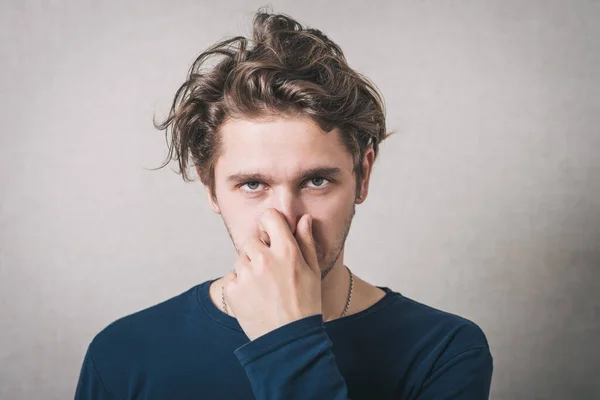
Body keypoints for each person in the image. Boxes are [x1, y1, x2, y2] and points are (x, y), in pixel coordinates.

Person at [75, 8, 493, 400]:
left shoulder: (445, 351)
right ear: (210, 188)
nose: (286, 219)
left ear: (363, 176)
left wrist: (287, 341)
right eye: (253, 184)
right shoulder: (123, 354)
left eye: (316, 180)